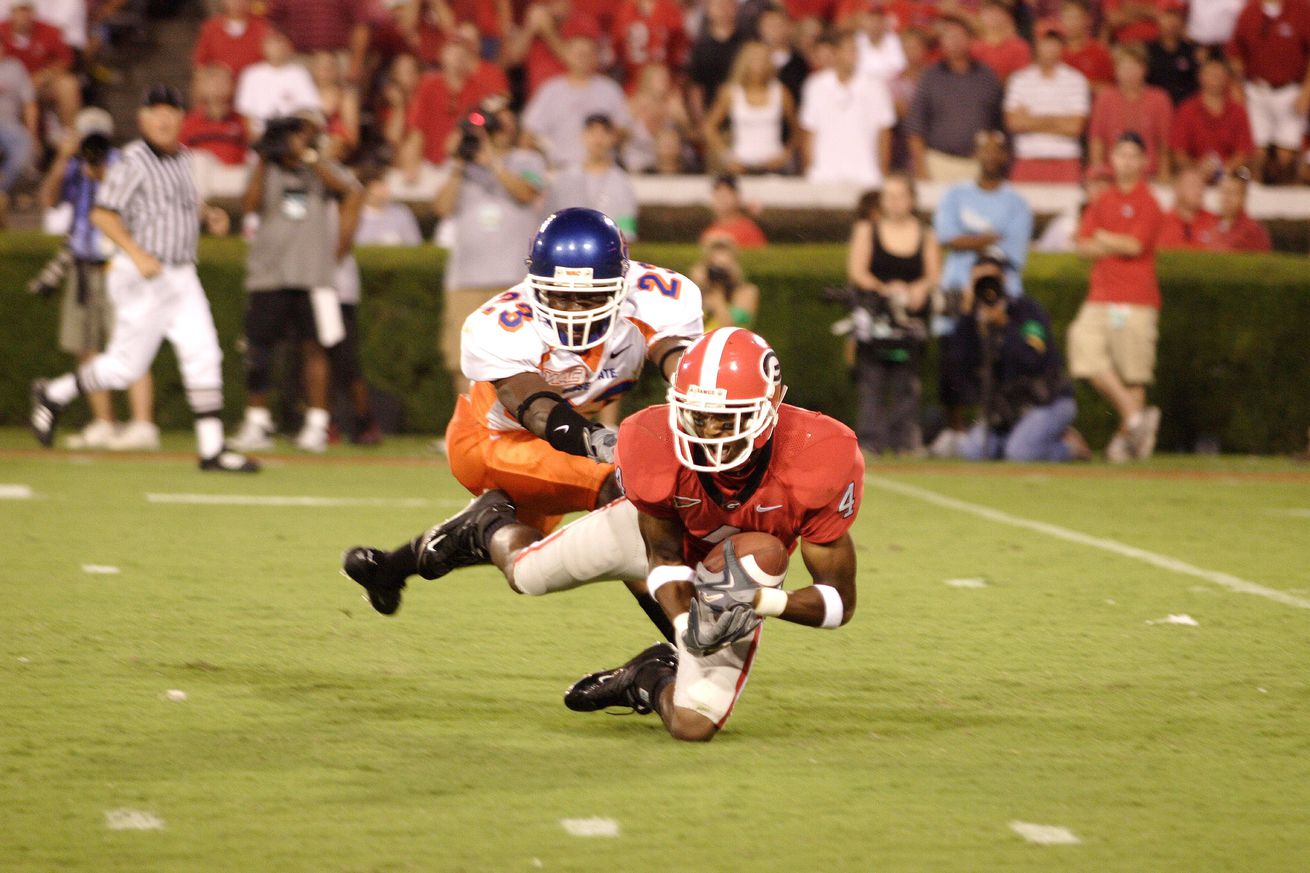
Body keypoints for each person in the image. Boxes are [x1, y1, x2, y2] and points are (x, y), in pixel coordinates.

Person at [345, 327, 863, 742]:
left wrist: (759, 602)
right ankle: (488, 527)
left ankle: (647, 677)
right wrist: (686, 627)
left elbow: (839, 603)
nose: (708, 434)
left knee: (694, 721)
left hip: (734, 565)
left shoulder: (823, 454)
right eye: (697, 417)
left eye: (726, 419)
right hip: (659, 540)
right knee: (527, 576)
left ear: (771, 410)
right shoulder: (651, 438)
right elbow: (660, 554)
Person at [341, 208, 703, 633]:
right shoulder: (500, 323)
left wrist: (696, 396)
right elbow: (536, 409)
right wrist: (602, 442)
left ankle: (393, 568)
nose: (574, 311)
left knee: (525, 558)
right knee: (626, 492)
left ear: (622, 285)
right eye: (560, 296)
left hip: (554, 449)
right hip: (492, 439)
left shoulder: (660, 296)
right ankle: (686, 642)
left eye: (589, 297)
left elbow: (682, 361)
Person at [30, 85, 258, 473]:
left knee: (204, 354)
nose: (164, 118)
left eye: (171, 110)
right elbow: (103, 215)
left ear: (182, 118)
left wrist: (208, 214)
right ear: (142, 118)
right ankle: (54, 393)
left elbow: (180, 201)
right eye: (156, 111)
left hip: (182, 273)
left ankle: (212, 450)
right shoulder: (132, 161)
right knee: (125, 368)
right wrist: (137, 254)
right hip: (143, 276)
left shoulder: (184, 158)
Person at [229, 115, 363, 454]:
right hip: (269, 273)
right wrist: (263, 157)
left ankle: (318, 424)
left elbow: (349, 191)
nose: (294, 141)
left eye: (300, 134)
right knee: (258, 349)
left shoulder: (321, 169)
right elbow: (248, 206)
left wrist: (311, 158)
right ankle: (257, 420)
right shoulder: (267, 167)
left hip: (313, 274)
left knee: (317, 349)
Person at [35, 128, 158, 451]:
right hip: (82, 266)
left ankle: (143, 423)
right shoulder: (75, 169)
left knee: (132, 344)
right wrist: (63, 158)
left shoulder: (124, 167)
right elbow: (48, 200)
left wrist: (103, 172)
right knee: (85, 347)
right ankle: (104, 422)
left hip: (117, 266)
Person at [432, 98, 546, 397]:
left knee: (521, 356)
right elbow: (442, 207)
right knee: (462, 358)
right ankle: (468, 428)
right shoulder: (461, 166)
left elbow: (526, 193)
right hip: (465, 279)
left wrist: (492, 162)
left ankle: (519, 429)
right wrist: (458, 165)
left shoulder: (527, 160)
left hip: (514, 279)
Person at [930, 130, 1032, 456]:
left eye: (997, 150)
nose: (990, 156)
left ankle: (991, 429)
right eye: (984, 150)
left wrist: (968, 238)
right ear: (976, 154)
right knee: (951, 361)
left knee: (999, 362)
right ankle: (955, 431)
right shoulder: (955, 195)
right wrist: (988, 237)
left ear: (1006, 157)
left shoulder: (1017, 203)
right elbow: (946, 236)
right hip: (957, 291)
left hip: (1000, 295)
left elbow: (1010, 254)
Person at [1069, 131, 1164, 462]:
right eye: (1120, 154)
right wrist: (1113, 242)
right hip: (1101, 295)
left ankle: (1130, 442)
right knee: (1082, 345)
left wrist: (1104, 238)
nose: (1126, 161)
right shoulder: (1103, 200)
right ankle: (1137, 418)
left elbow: (1134, 246)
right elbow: (1081, 244)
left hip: (1135, 299)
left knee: (1132, 372)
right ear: (1112, 159)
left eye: (1132, 155)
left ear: (1143, 161)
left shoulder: (1149, 203)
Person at [957, 253, 1086, 462]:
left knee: (1020, 453)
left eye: (991, 279)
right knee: (973, 452)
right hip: (1009, 408)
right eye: (979, 281)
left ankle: (1069, 447)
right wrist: (967, 318)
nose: (986, 287)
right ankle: (1026, 438)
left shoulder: (1027, 311)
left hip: (1046, 401)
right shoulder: (974, 320)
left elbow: (1031, 359)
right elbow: (960, 365)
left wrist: (1004, 326)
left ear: (1004, 280)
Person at [845, 174, 939, 454]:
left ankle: (904, 443)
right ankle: (871, 443)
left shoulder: (925, 234)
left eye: (900, 195)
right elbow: (857, 271)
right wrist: (884, 289)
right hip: (875, 319)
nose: (894, 202)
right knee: (872, 382)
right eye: (889, 196)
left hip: (910, 321)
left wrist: (915, 290)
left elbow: (933, 275)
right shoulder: (867, 230)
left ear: (911, 200)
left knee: (906, 384)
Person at [904, 15, 1004, 182]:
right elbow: (915, 129)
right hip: (938, 163)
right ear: (942, 42)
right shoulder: (930, 76)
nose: (954, 41)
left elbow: (998, 126)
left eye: (959, 36)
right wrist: (921, 170)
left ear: (969, 39)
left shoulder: (986, 77)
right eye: (949, 37)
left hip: (976, 165)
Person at [1224, 0, 1310, 184]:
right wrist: (1237, 86)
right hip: (1257, 91)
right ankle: (1256, 199)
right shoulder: (1250, 11)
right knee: (1256, 154)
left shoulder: (1300, 9)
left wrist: (1307, 91)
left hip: (1290, 91)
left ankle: (1288, 203)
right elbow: (1235, 52)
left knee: (1286, 156)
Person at [521, 29, 631, 169]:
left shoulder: (609, 90)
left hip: (602, 170)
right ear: (567, 54)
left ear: (596, 56)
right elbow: (529, 133)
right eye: (578, 53)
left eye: (587, 53)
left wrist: (602, 138)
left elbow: (625, 130)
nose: (582, 58)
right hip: (560, 168)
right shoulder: (551, 91)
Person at [799, 29, 896, 186]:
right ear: (836, 52)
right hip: (824, 176)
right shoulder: (815, 85)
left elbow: (884, 132)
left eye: (856, 49)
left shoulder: (876, 86)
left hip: (867, 176)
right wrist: (810, 168)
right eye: (850, 49)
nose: (855, 54)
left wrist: (882, 171)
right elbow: (809, 131)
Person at [1004, 24, 1090, 183]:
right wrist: (1059, 121)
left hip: (1066, 158)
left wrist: (1031, 120)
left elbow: (1075, 127)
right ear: (1036, 45)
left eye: (1055, 43)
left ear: (1062, 46)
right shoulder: (1020, 79)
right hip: (1027, 157)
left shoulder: (1076, 80)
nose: (1050, 48)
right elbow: (1014, 123)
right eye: (1045, 42)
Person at [702, 40, 797, 175]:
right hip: (741, 165)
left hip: (774, 165)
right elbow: (709, 127)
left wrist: (786, 154)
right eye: (754, 59)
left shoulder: (780, 92)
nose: (759, 65)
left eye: (764, 59)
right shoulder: (731, 92)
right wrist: (727, 157)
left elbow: (797, 129)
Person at [1087, 42, 1174, 181]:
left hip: (1149, 175)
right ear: (1116, 70)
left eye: (1134, 67)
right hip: (1112, 176)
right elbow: (1096, 140)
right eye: (1124, 68)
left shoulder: (1159, 99)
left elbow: (1164, 143)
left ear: (1144, 69)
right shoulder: (1105, 98)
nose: (1129, 73)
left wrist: (1164, 176)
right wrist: (1098, 174)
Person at [544, 114, 639, 239]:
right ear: (583, 136)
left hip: (607, 252)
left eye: (603, 133)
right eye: (592, 132)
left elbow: (627, 230)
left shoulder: (622, 183)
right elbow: (550, 221)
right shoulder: (565, 179)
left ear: (612, 138)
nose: (597, 139)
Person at [0, 0, 80, 137]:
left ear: (33, 13)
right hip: (10, 87)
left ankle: (69, 136)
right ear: (11, 13)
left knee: (68, 84)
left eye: (26, 11)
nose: (22, 16)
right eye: (19, 11)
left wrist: (44, 75)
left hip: (40, 83)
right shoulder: (2, 31)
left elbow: (66, 60)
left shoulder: (49, 31)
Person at [1169, 55, 1254, 181]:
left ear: (1227, 78)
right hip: (1194, 179)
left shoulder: (1237, 111)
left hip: (1229, 180)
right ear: (1200, 76)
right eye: (1210, 73)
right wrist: (1198, 169)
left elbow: (1244, 151)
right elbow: (1178, 152)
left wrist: (1224, 170)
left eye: (1219, 74)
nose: (1215, 78)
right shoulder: (1187, 109)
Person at [234, 29, 322, 138]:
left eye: (280, 42)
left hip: (292, 136)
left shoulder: (300, 74)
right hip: (262, 137)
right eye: (272, 43)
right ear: (263, 46)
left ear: (289, 46)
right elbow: (246, 114)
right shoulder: (251, 75)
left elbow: (310, 111)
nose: (277, 47)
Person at [687, 0, 746, 125]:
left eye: (728, 4)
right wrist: (702, 122)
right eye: (718, 5)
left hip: (744, 117)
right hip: (712, 117)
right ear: (708, 10)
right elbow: (696, 89)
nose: (723, 10)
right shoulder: (700, 47)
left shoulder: (747, 43)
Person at [689, 237, 760, 330]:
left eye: (723, 268)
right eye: (714, 267)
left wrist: (717, 299)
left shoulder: (746, 292)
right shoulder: (698, 293)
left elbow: (730, 329)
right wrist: (695, 285)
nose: (719, 274)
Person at [0, 36, 34, 225]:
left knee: (24, 144)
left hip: (10, 126)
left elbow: (30, 103)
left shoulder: (15, 68)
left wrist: (32, 133)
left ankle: (2, 192)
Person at [192, 0, 270, 79]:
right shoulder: (211, 28)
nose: (238, 2)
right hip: (220, 86)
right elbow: (200, 64)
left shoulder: (262, 28)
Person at [1146, 0, 1201, 106]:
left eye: (1175, 16)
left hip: (1185, 109)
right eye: (1167, 16)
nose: (1171, 22)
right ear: (1158, 19)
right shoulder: (1148, 50)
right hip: (1156, 109)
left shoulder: (1192, 50)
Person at [1205, 167, 1272, 252]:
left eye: (1232, 192)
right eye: (1224, 191)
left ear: (1243, 197)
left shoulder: (1253, 231)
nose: (1226, 197)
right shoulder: (1208, 224)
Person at [1156, 164, 1217, 249]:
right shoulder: (1159, 223)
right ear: (1177, 189)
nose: (1199, 190)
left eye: (1201, 186)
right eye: (1193, 185)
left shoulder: (1214, 222)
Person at [699, 173, 767, 249]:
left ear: (737, 197)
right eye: (718, 194)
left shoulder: (750, 230)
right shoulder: (709, 232)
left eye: (727, 194)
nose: (722, 199)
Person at [1059, 0, 1114, 90]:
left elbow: (1111, 89)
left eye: (1076, 17)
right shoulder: (1055, 52)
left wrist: (1083, 85)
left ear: (1087, 19)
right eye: (1067, 17)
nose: (1071, 23)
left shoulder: (1099, 52)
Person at [971, 0, 1030, 83]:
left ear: (1007, 17)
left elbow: (1021, 77)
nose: (993, 17)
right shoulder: (973, 47)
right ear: (980, 16)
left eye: (998, 13)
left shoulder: (1019, 47)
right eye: (989, 12)